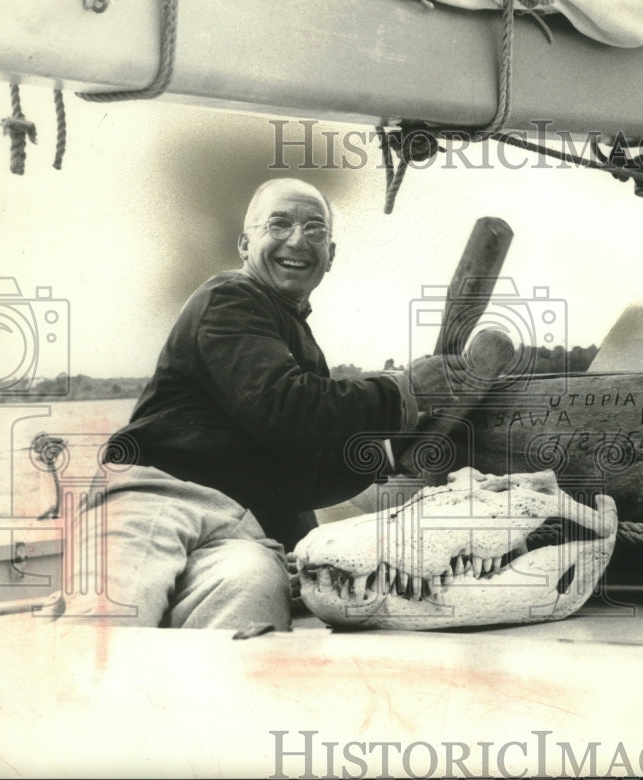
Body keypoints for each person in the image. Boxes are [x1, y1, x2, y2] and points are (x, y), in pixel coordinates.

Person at [62, 178, 462, 630]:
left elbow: (303, 471)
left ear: (331, 255)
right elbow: (285, 409)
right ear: (244, 243)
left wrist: (387, 453)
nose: (298, 239)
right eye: (279, 223)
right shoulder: (229, 298)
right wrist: (402, 393)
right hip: (158, 501)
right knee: (101, 637)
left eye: (315, 230)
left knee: (253, 587)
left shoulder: (295, 339)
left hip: (235, 528)